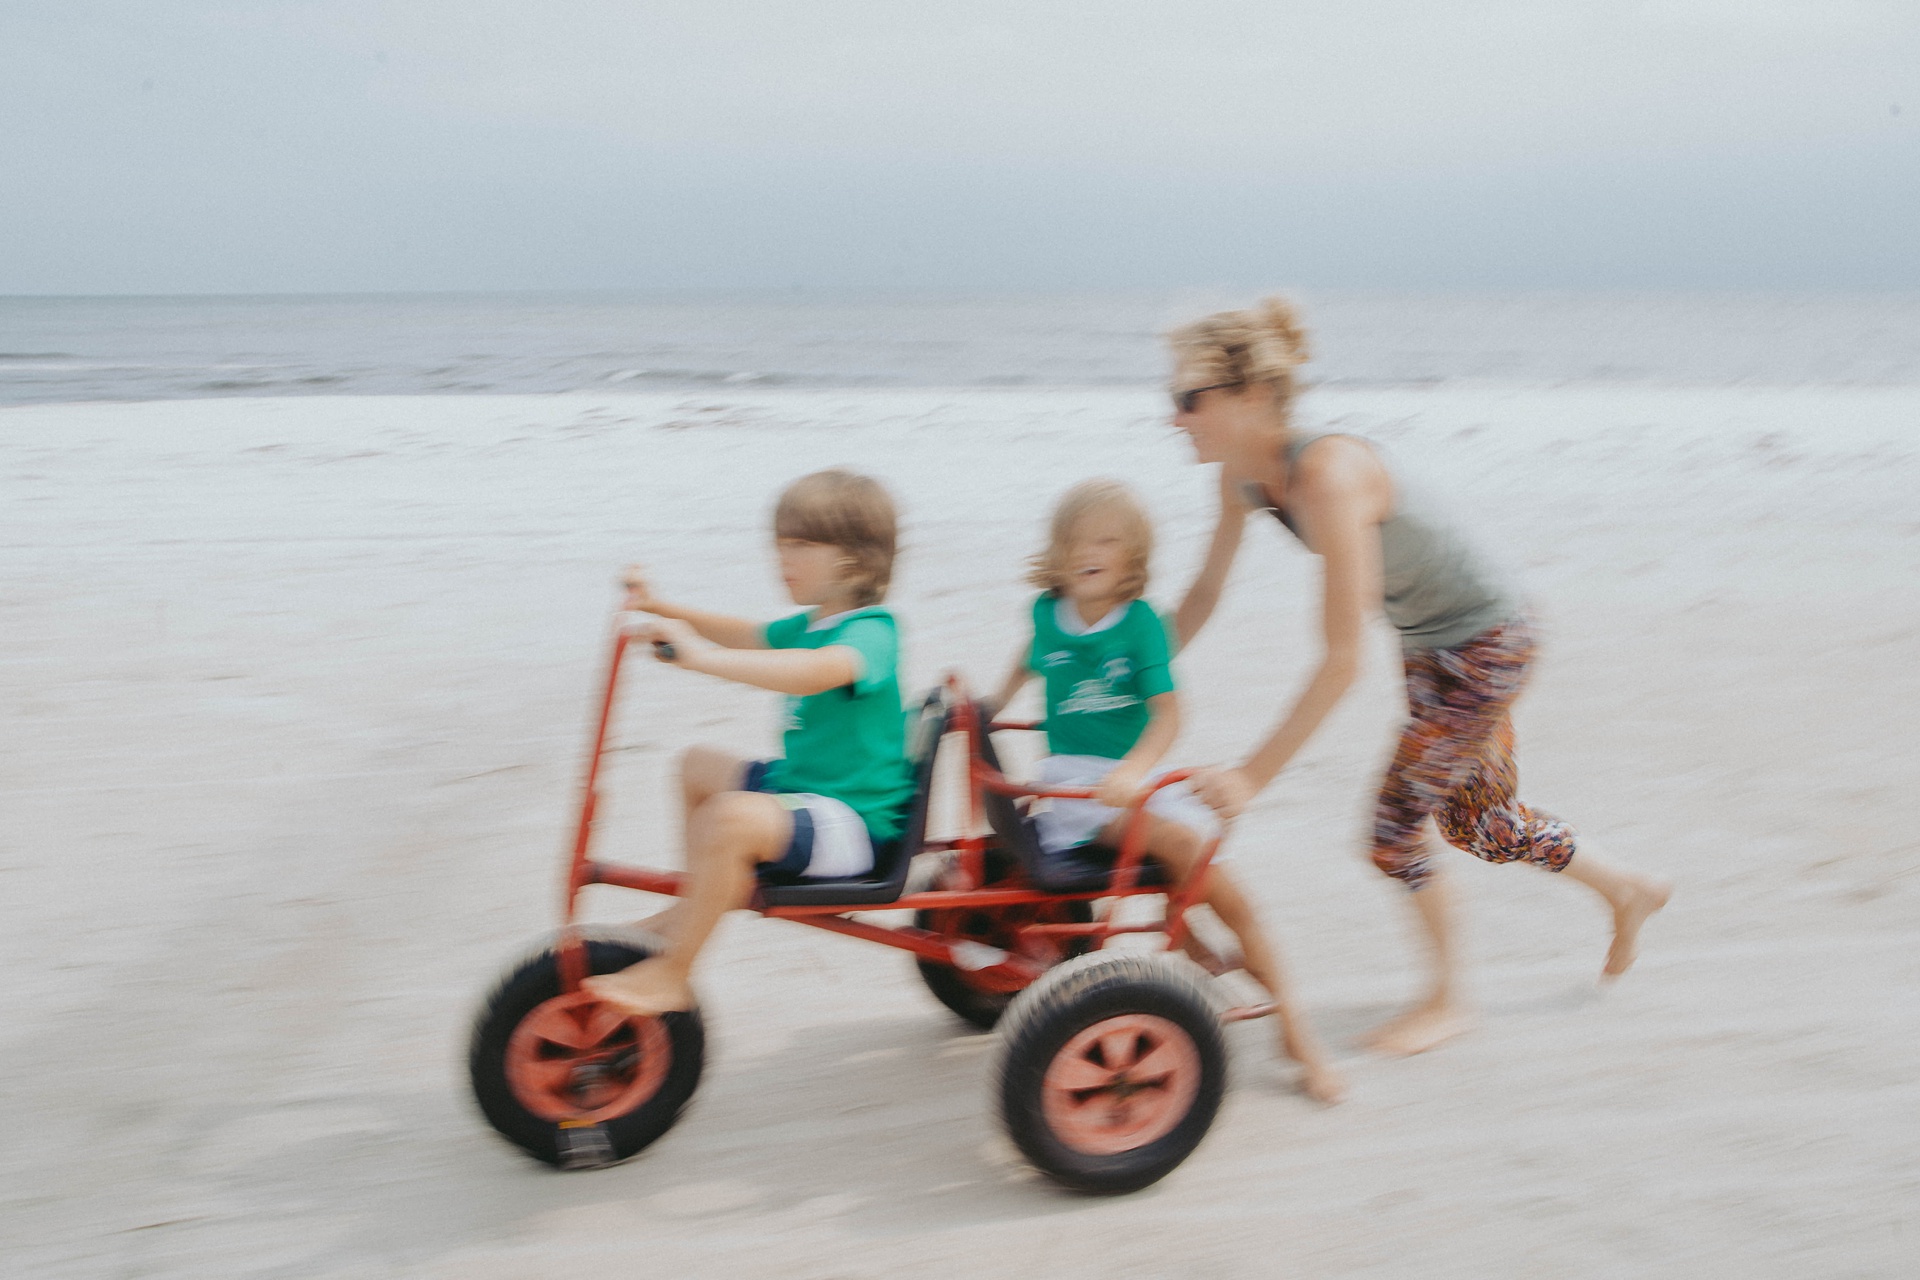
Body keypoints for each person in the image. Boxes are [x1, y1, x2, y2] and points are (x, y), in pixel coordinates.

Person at [1168, 298, 1672, 1056]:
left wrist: (1251, 777)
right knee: (1481, 825)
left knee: (1392, 831)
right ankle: (1628, 889)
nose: (1176, 417)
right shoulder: (1242, 477)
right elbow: (1205, 594)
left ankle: (1450, 1000)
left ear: (1252, 396)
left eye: (1189, 398)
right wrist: (1127, 667)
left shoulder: (1330, 475)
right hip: (1434, 645)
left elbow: (1340, 657)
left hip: (1489, 643)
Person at [984, 478, 1345, 1102]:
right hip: (1071, 790)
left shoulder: (1142, 626)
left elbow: (1169, 715)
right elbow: (1028, 656)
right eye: (1074, 540)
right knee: (1180, 843)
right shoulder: (1048, 612)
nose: (1087, 551)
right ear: (1056, 551)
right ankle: (1192, 944)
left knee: (1220, 878)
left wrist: (1132, 769)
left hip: (1131, 777)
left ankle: (1293, 1025)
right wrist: (989, 704)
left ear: (1133, 558)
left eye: (1106, 540)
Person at [584, 469, 913, 1017]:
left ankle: (675, 970)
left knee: (729, 818)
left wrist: (701, 659)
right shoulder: (813, 623)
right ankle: (697, 903)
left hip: (852, 823)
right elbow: (744, 634)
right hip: (806, 790)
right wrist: (662, 610)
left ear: (855, 559)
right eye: (780, 544)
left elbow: (815, 672)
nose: (782, 558)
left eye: (802, 545)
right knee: (696, 766)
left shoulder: (872, 633)